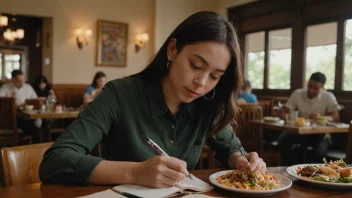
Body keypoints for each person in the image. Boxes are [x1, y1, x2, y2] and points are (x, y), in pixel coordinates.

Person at [39, 11, 266, 187]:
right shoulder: (119, 94)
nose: (202, 83)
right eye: (195, 65)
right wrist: (135, 173)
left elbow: (231, 149)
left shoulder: (208, 104)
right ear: (172, 49)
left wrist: (242, 161)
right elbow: (55, 161)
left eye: (215, 76)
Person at [278, 72, 339, 165]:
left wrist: (321, 117)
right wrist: (284, 115)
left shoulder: (328, 97)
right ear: (307, 83)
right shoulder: (297, 93)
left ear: (322, 88)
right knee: (282, 140)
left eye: (315, 88)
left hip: (321, 134)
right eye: (309, 86)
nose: (311, 90)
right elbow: (285, 111)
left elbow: (336, 117)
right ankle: (292, 168)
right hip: (300, 132)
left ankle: (313, 176)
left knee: (319, 151)